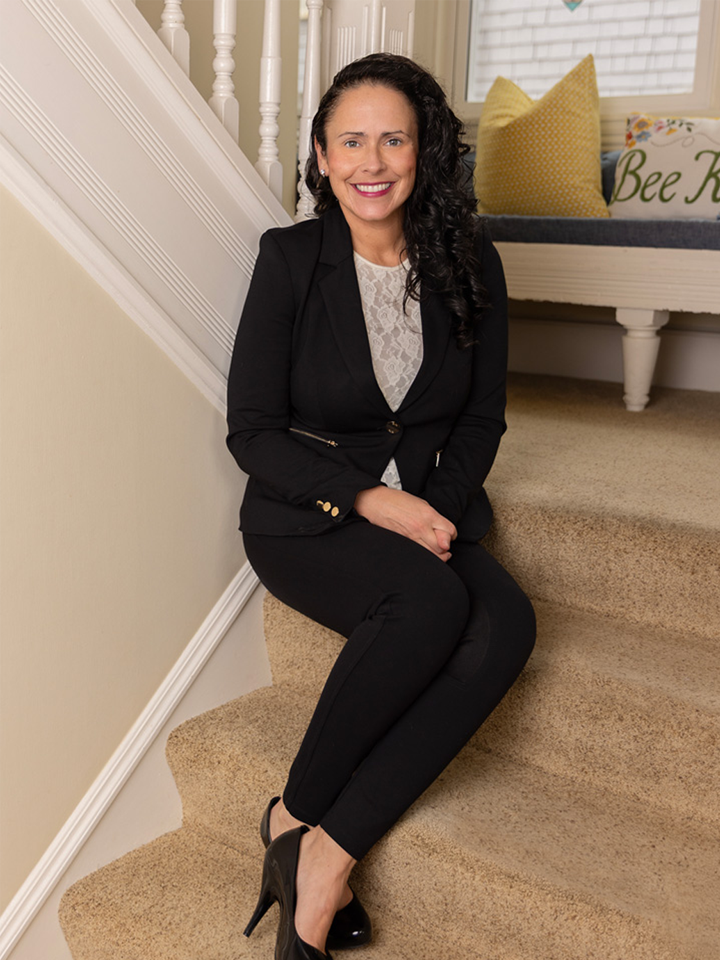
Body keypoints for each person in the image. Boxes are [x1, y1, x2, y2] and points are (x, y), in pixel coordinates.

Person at [226, 53, 536, 960]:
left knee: (507, 624)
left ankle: (312, 843)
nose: (372, 161)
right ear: (322, 157)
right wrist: (371, 500)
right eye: (351, 141)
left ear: (422, 150)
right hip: (304, 519)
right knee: (432, 604)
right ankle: (304, 836)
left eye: (393, 139)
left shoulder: (471, 262)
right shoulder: (290, 260)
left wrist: (431, 509)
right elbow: (253, 432)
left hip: (426, 507)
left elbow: (480, 419)